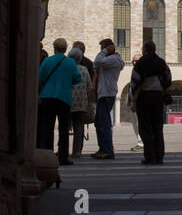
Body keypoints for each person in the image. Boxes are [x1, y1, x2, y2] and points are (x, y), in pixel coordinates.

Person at [37, 37, 82, 166]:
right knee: (64, 129)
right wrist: (66, 82)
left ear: (54, 48)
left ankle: (47, 155)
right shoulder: (70, 63)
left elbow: (40, 78)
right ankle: (63, 157)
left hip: (48, 96)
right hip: (64, 97)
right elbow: (77, 79)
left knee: (47, 127)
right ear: (65, 49)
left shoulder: (47, 61)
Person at [131, 39, 172, 165]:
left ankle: (150, 157)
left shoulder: (140, 63)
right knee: (158, 127)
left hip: (144, 97)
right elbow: (168, 78)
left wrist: (133, 99)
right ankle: (159, 156)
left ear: (145, 50)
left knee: (145, 128)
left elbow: (135, 81)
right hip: (158, 97)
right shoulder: (161, 62)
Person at [92, 38, 124, 159]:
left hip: (107, 94)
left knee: (104, 123)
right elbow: (96, 64)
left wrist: (105, 51)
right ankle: (103, 148)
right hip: (104, 93)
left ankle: (108, 150)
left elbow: (97, 61)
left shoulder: (113, 59)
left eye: (102, 48)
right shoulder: (109, 59)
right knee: (99, 122)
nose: (101, 50)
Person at [67, 43, 92, 158]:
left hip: (67, 101)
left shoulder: (65, 68)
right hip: (81, 102)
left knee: (65, 126)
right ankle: (77, 151)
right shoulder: (84, 69)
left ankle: (63, 150)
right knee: (79, 127)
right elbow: (89, 86)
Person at [126, 55, 145, 152]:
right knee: (135, 123)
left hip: (139, 102)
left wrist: (134, 101)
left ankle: (141, 143)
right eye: (133, 61)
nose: (134, 63)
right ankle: (140, 141)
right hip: (134, 101)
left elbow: (139, 87)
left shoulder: (142, 71)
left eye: (136, 61)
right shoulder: (135, 71)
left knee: (140, 122)